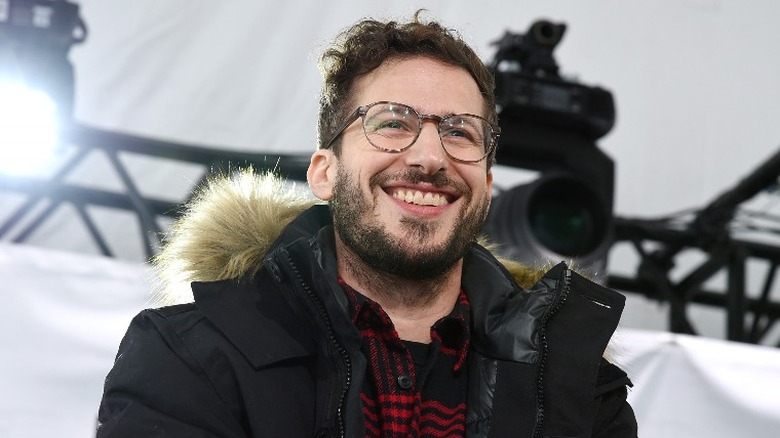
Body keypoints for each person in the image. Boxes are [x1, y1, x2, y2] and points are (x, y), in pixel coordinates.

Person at [96, 11, 638, 438]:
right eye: (392, 123)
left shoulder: (579, 385)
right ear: (324, 174)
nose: (430, 156)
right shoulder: (191, 353)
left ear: (488, 188)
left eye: (460, 133)